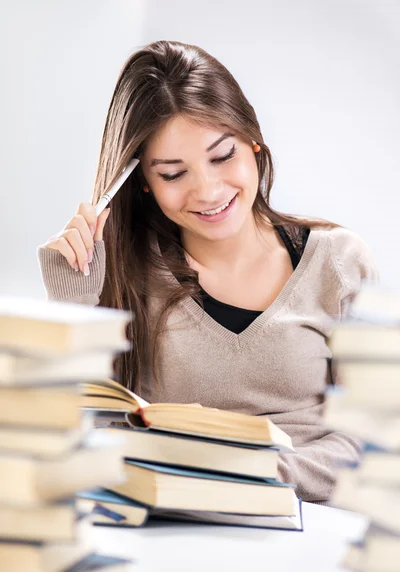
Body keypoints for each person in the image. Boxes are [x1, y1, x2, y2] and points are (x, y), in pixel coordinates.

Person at [38, 40, 379, 503]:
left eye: (222, 156)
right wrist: (73, 307)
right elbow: (86, 444)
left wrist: (249, 473)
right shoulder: (126, 273)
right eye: (173, 174)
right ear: (143, 182)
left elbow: (373, 440)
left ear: (253, 142)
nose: (208, 190)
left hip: (309, 526)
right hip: (172, 530)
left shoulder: (337, 262)